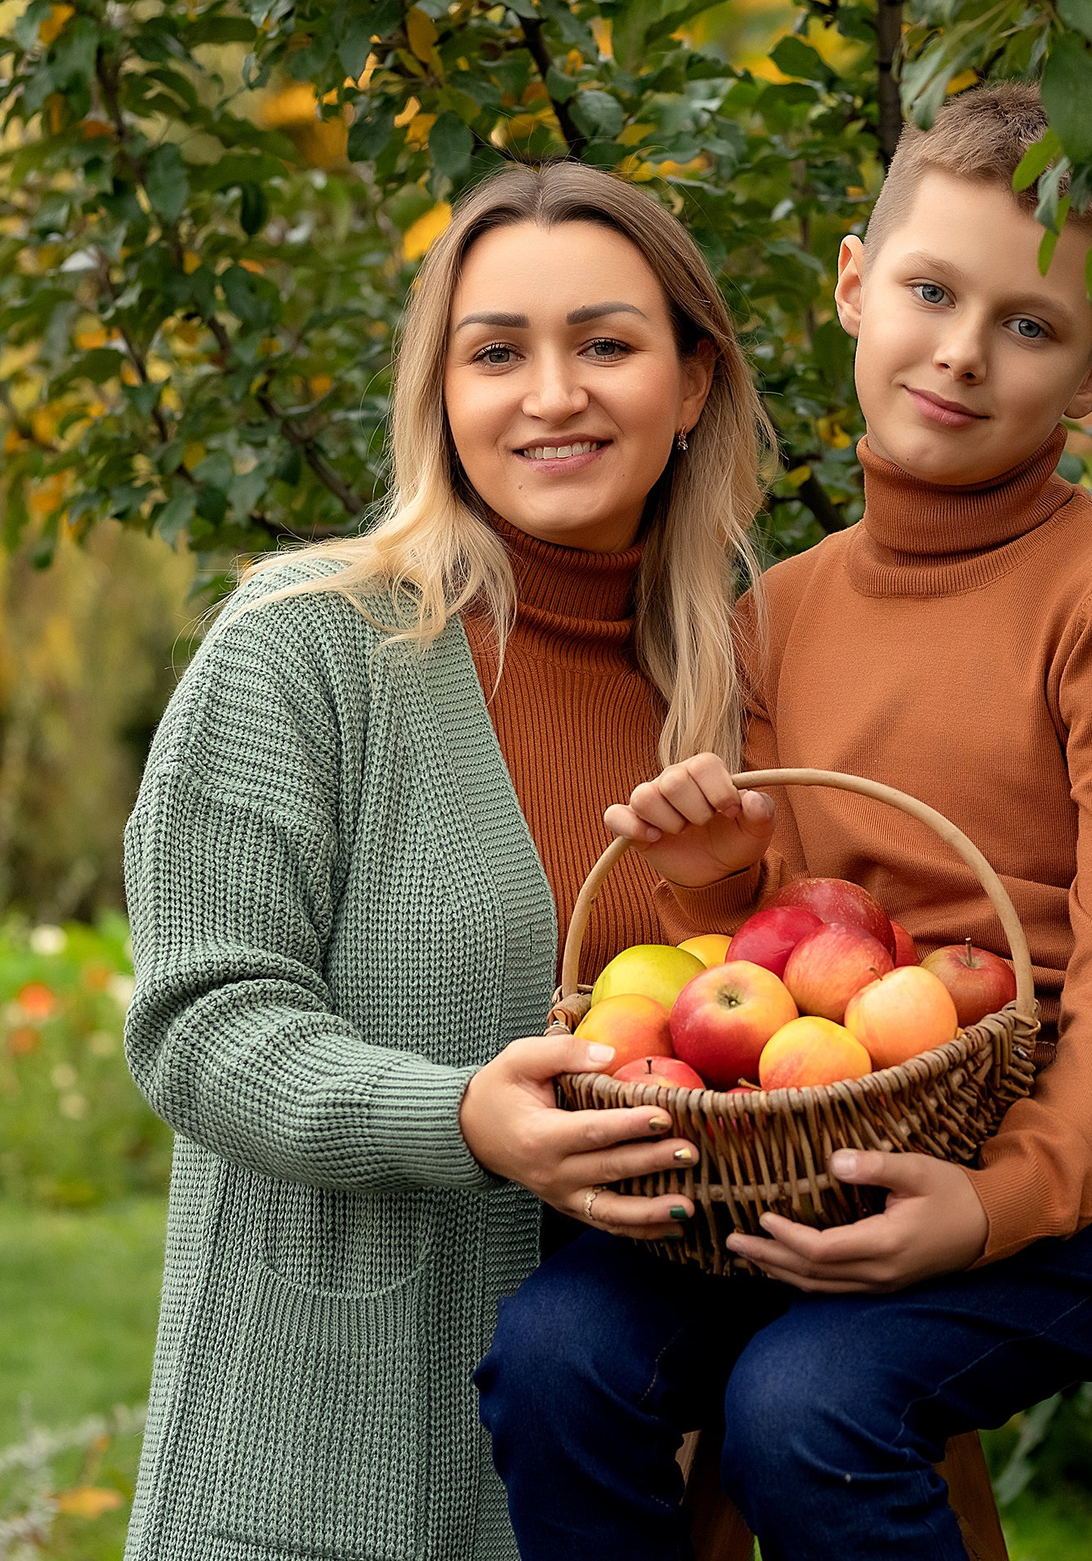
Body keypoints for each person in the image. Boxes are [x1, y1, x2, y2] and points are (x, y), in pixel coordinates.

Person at [476, 82, 1092, 1560]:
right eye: (929, 291)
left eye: (1029, 327)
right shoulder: (783, 612)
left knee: (806, 1409)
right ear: (854, 286)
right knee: (560, 1357)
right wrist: (712, 883)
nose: (961, 353)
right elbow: (770, 964)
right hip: (837, 1128)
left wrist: (990, 1203)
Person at [118, 161, 775, 1561]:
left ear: (694, 381)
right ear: (441, 395)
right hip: (328, 1465)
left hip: (630, 1464)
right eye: (496, 354)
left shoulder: (744, 681)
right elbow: (198, 1023)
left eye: (605, 343)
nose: (552, 395)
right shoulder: (310, 645)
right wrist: (458, 1118)